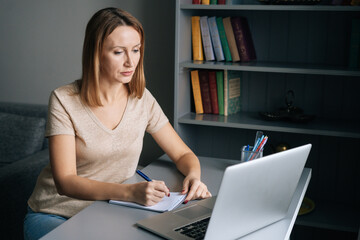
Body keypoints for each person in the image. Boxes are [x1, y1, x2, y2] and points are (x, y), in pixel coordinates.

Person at [23, 7, 211, 240]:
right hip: (55, 214)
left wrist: (193, 176)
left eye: (135, 50)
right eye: (118, 52)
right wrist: (129, 192)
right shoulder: (63, 100)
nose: (130, 61)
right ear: (96, 53)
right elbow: (65, 182)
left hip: (108, 209)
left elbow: (183, 154)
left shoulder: (141, 99)